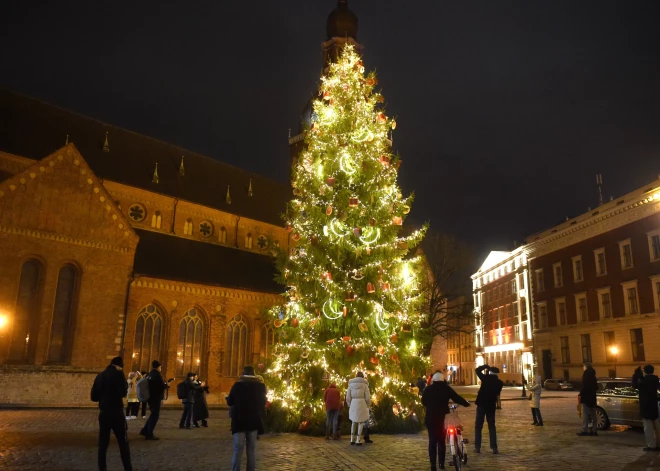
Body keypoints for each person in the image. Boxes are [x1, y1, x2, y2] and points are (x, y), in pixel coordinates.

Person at [91, 356, 132, 471]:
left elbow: (93, 397)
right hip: (116, 413)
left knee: (103, 443)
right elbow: (123, 392)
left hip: (104, 413)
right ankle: (128, 468)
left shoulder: (100, 376)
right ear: (119, 366)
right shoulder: (118, 374)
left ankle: (102, 468)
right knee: (123, 442)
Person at [422, 372, 470, 471]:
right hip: (443, 419)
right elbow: (457, 398)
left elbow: (423, 402)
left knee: (432, 442)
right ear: (442, 380)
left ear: (433, 380)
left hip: (431, 419)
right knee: (441, 441)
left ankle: (433, 466)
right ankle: (441, 464)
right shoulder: (446, 388)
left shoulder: (428, 389)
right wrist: (466, 403)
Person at [226, 365, 267, 471]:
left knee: (238, 451)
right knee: (251, 451)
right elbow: (263, 403)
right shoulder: (261, 386)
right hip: (253, 421)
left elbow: (230, 402)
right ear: (254, 374)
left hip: (239, 421)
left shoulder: (237, 385)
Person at [474, 364, 503, 454]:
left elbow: (477, 370)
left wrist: (485, 366)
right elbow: (497, 394)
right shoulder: (499, 383)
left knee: (478, 426)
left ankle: (477, 447)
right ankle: (494, 447)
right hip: (491, 406)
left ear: (489, 372)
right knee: (491, 426)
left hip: (481, 404)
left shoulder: (485, 378)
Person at [139, 360, 170, 440]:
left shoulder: (150, 374)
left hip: (150, 397)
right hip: (156, 397)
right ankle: (149, 433)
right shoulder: (157, 375)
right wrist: (167, 385)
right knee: (155, 415)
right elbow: (161, 386)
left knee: (153, 414)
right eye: (160, 367)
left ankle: (145, 430)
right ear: (158, 367)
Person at [633, 365, 660, 451]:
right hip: (654, 405)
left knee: (648, 428)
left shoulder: (643, 381)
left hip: (645, 406)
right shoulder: (656, 380)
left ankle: (651, 445)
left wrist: (636, 375)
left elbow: (634, 385)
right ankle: (658, 443)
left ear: (645, 371)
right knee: (657, 426)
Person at [346, 371, 371, 446]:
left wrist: (349, 404)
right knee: (361, 422)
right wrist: (368, 405)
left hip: (353, 403)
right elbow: (367, 397)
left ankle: (351, 439)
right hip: (362, 403)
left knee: (353, 422)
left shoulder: (350, 384)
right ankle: (358, 439)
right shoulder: (365, 385)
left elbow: (348, 396)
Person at [577, 363, 598, 437]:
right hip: (592, 397)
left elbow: (584, 386)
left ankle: (584, 430)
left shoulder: (585, 376)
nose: (583, 368)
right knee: (593, 415)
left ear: (586, 367)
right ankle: (594, 430)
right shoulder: (593, 376)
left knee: (585, 414)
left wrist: (581, 394)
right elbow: (596, 387)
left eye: (583, 366)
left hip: (586, 397)